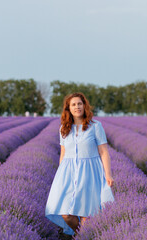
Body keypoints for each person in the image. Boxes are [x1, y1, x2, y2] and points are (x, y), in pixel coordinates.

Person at [45, 92, 115, 237]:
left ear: (84, 106)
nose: (77, 107)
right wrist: (60, 175)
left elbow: (104, 152)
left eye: (79, 104)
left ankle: (84, 236)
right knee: (65, 213)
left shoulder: (95, 126)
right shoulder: (63, 128)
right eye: (73, 105)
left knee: (86, 215)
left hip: (90, 171)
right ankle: (81, 235)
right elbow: (63, 153)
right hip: (68, 172)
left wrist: (108, 174)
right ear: (68, 108)